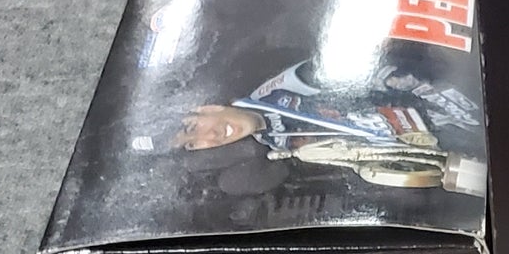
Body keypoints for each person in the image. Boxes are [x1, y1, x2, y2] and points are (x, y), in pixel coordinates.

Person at [171, 59, 485, 194]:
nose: (209, 136)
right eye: (193, 143)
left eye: (192, 125)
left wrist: (402, 82)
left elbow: (356, 68)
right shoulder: (279, 147)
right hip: (442, 146)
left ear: (208, 107)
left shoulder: (278, 90)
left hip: (446, 101)